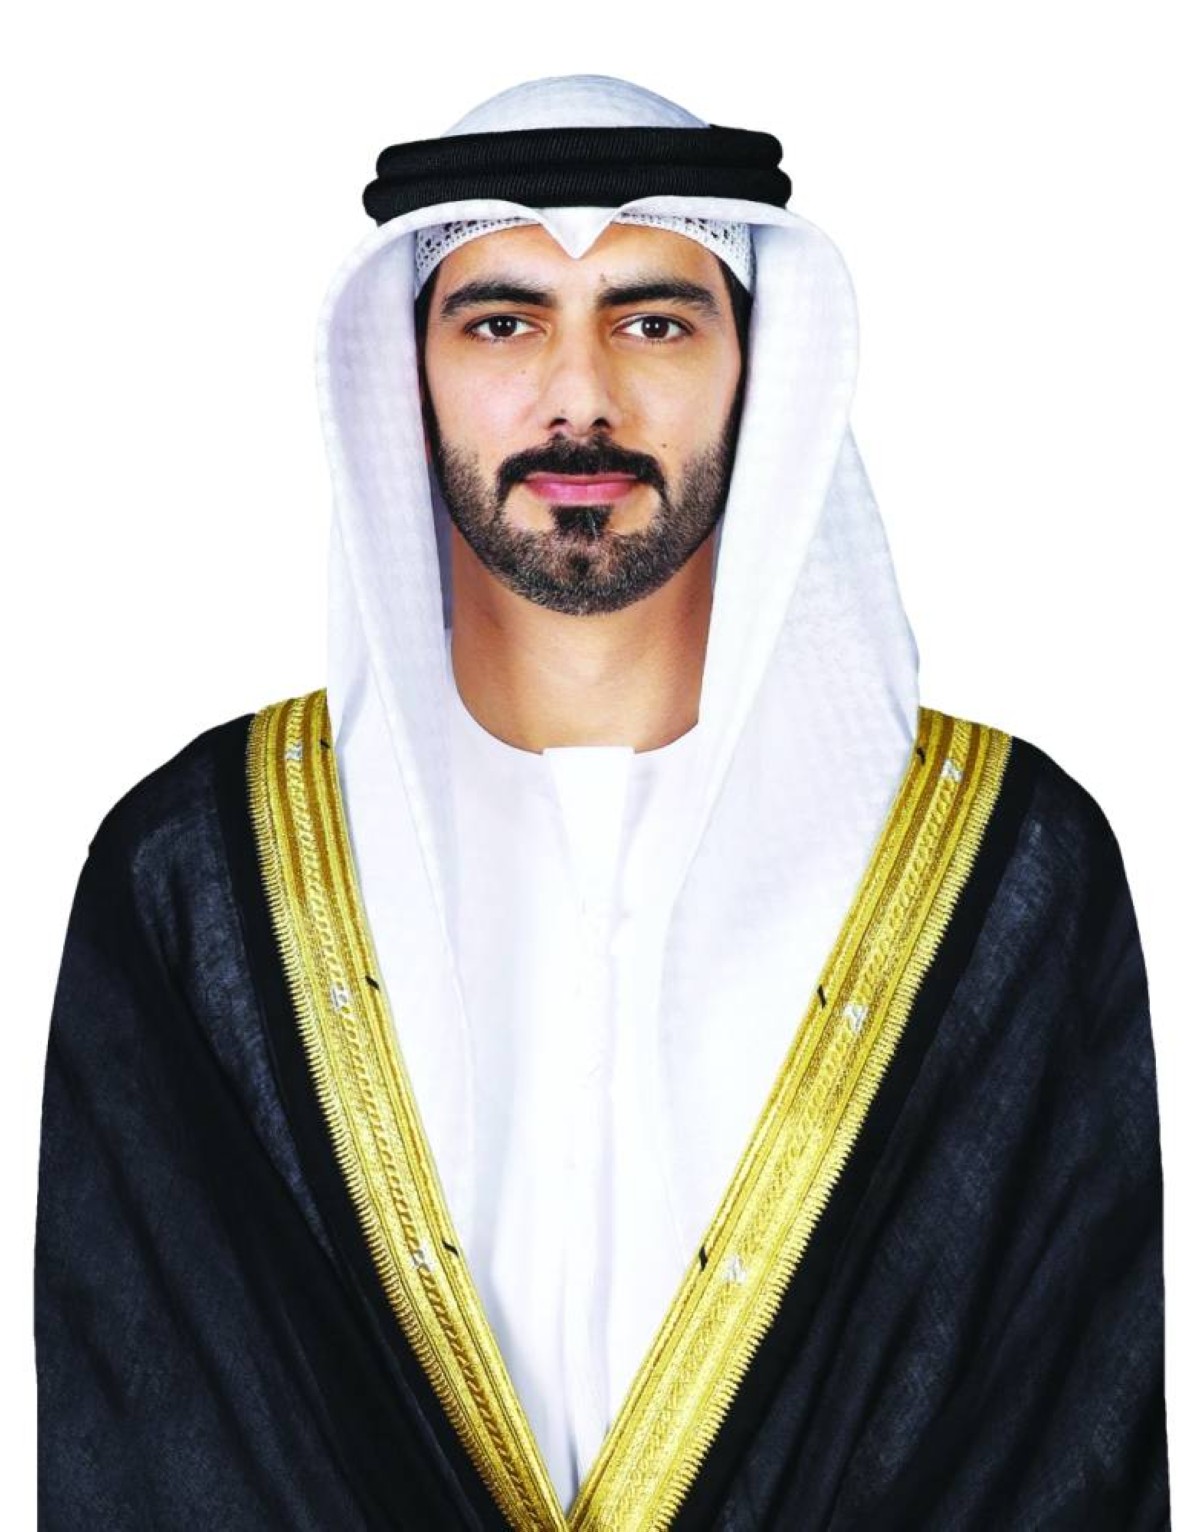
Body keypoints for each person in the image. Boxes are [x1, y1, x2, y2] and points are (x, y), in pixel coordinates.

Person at [35, 73, 1170, 1530]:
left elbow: (1065, 1458)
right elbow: (149, 1459)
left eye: (654, 323)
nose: (580, 400)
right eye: (503, 323)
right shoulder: (195, 879)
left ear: (759, 370)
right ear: (405, 378)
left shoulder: (1008, 875)